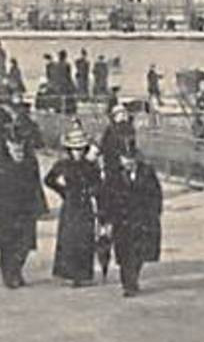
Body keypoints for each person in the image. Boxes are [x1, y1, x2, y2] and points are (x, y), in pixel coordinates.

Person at [0, 130, 47, 289]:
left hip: (26, 209)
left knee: (25, 244)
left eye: (20, 148)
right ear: (7, 146)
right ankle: (9, 274)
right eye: (14, 148)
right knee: (7, 244)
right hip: (5, 210)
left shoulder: (30, 162)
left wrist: (40, 207)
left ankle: (16, 270)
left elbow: (36, 185)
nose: (18, 151)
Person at [98, 150, 163, 296]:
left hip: (141, 220)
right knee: (124, 253)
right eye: (125, 159)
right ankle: (128, 284)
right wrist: (105, 220)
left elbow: (156, 194)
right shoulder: (114, 175)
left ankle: (132, 280)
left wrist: (154, 214)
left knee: (139, 253)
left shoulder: (146, 172)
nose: (128, 162)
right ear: (120, 159)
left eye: (131, 159)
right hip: (121, 220)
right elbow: (105, 197)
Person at [43, 123, 100, 287]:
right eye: (75, 149)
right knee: (69, 239)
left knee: (85, 239)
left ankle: (82, 274)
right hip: (70, 206)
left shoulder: (90, 166)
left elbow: (98, 183)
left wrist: (92, 191)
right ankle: (67, 273)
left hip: (85, 205)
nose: (78, 152)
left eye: (82, 149)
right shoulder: (63, 165)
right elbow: (48, 180)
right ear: (69, 150)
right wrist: (63, 191)